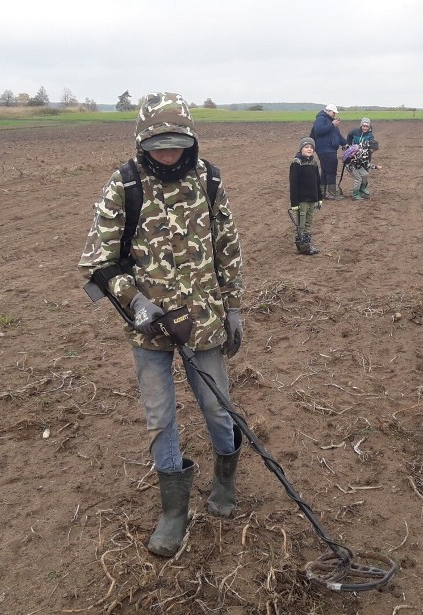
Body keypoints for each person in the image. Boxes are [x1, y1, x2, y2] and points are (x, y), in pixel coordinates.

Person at [79, 92, 245, 558]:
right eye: (158, 146)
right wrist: (135, 302)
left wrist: (233, 307)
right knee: (159, 416)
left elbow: (227, 245)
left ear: (190, 141)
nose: (167, 155)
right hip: (149, 328)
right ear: (142, 142)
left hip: (205, 318)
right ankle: (173, 511)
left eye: (175, 145)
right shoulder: (124, 185)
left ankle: (225, 483)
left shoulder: (209, 178)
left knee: (217, 408)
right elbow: (97, 260)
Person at [289, 137, 323, 255]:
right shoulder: (296, 163)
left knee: (308, 223)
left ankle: (307, 245)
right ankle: (301, 246)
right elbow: (293, 184)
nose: (309, 149)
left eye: (311, 147)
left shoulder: (313, 163)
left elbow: (318, 182)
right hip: (302, 200)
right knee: (301, 225)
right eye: (306, 147)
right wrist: (294, 203)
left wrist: (319, 198)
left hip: (312, 199)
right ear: (301, 149)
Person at [311, 104, 346, 200]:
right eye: (333, 112)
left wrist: (346, 144)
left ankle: (321, 193)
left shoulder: (331, 121)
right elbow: (318, 130)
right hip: (325, 149)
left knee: (326, 171)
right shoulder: (321, 119)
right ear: (327, 111)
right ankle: (331, 194)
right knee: (331, 171)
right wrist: (332, 125)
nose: (334, 114)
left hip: (330, 149)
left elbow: (338, 136)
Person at [344, 117, 381, 200]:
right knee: (358, 178)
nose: (365, 128)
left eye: (366, 126)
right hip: (353, 162)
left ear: (369, 127)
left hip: (361, 159)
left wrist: (375, 166)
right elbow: (349, 137)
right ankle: (355, 194)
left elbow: (365, 162)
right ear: (361, 125)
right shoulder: (354, 132)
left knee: (365, 174)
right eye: (363, 126)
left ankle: (362, 188)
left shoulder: (370, 136)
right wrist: (349, 146)